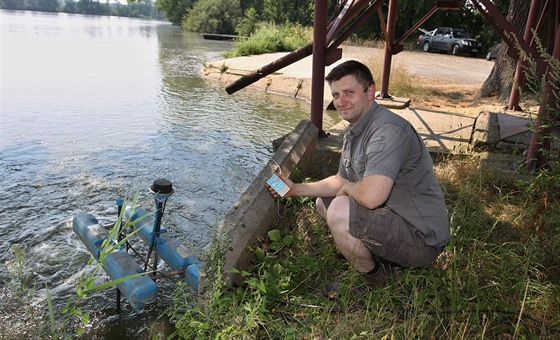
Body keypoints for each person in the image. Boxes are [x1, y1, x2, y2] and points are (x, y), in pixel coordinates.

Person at [267, 60, 449, 287]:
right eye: (335, 95)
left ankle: (374, 281)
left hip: (422, 238)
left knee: (340, 209)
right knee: (324, 203)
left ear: (370, 91)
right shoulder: (356, 130)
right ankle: (375, 255)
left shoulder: (388, 131)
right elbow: (341, 179)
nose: (340, 102)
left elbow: (371, 197)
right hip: (394, 219)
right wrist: (295, 189)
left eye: (349, 92)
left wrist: (347, 189)